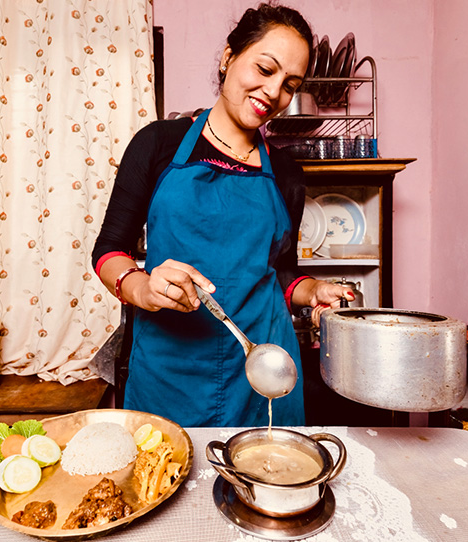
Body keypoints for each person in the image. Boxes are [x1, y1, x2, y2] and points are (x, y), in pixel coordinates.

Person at [92, 3, 353, 427]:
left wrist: (314, 291)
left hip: (263, 369)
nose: (274, 92)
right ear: (228, 56)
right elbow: (108, 251)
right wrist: (140, 287)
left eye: (290, 84)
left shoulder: (286, 173)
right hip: (169, 367)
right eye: (265, 69)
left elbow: (282, 274)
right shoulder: (158, 144)